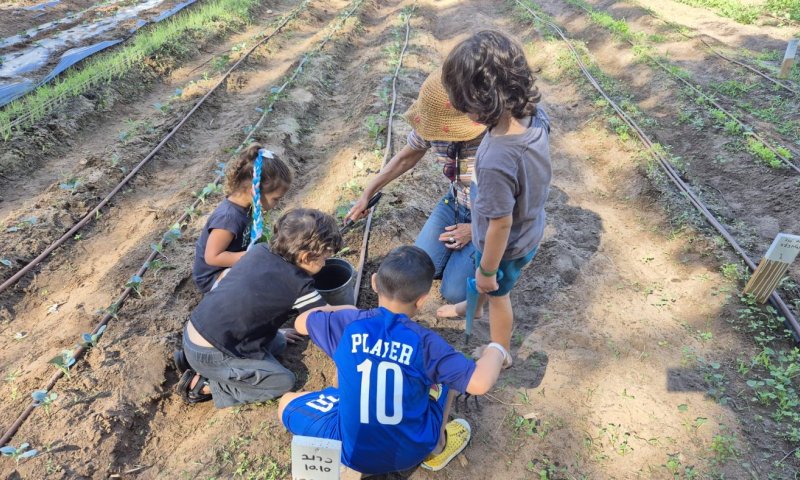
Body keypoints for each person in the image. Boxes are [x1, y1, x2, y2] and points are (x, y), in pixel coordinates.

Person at [278, 246, 508, 475]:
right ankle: (437, 446)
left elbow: (301, 322)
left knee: (285, 403)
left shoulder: (349, 324)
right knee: (449, 378)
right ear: (421, 301)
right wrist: (496, 349)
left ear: (375, 282)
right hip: (412, 451)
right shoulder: (427, 343)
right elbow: (479, 383)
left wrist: (345, 310)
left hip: (352, 452)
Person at [441, 30, 552, 367]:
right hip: (529, 224)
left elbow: (500, 224)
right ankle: (469, 304)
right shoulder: (533, 116)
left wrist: (489, 272)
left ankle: (499, 351)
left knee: (498, 293)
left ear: (476, 104)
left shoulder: (494, 161)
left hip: (506, 246)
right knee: (479, 274)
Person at [345, 69, 486, 307]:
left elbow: (518, 205)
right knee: (419, 268)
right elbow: (404, 159)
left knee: (453, 293)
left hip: (490, 218)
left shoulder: (494, 141)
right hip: (455, 203)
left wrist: (474, 229)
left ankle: (491, 260)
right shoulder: (432, 125)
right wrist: (366, 194)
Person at [177, 208, 343, 407]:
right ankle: (206, 385)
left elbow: (246, 302)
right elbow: (325, 319)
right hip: (214, 353)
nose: (325, 264)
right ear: (306, 257)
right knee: (282, 381)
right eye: (324, 257)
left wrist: (277, 332)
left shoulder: (260, 250)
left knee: (280, 343)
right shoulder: (298, 284)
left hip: (196, 332)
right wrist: (355, 312)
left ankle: (194, 360)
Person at [192, 144, 292, 294]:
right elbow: (212, 257)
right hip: (215, 277)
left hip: (235, 264)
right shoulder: (228, 218)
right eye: (276, 199)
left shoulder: (247, 207)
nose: (277, 204)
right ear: (255, 191)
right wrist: (253, 257)